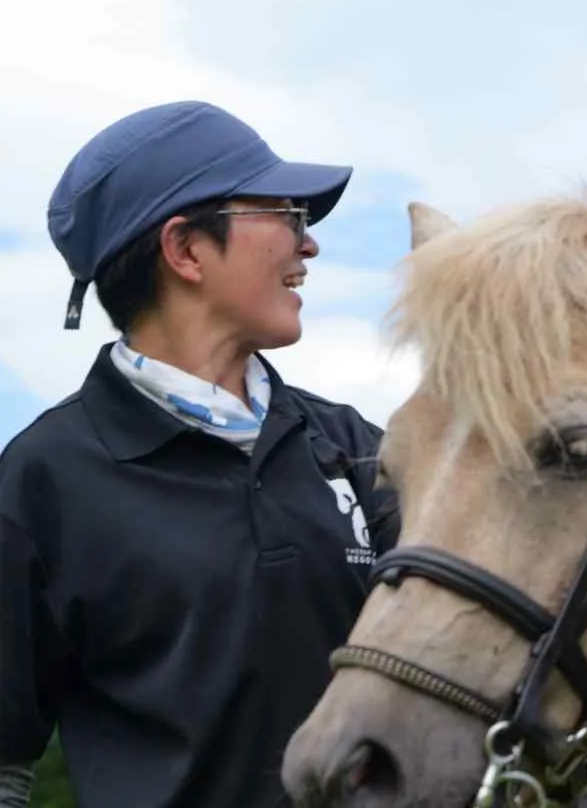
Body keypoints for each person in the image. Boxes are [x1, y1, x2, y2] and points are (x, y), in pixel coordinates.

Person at [0, 101, 400, 808]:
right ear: (185, 249)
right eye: (285, 214)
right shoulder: (43, 481)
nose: (308, 246)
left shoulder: (356, 448)